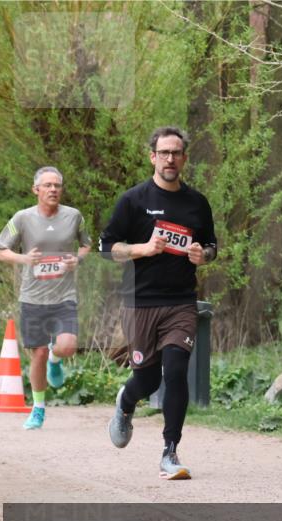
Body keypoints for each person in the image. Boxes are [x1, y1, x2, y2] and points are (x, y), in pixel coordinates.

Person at [99, 126, 217, 480]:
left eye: (176, 153)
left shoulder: (197, 203)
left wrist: (203, 255)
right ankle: (125, 401)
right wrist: (142, 249)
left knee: (177, 371)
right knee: (147, 381)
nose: (170, 159)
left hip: (180, 302)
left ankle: (170, 452)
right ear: (153, 156)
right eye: (163, 152)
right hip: (139, 303)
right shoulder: (133, 200)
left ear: (184, 158)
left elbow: (212, 245)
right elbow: (107, 248)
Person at [0, 167, 91, 429]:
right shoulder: (22, 218)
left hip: (64, 295)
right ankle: (38, 408)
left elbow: (86, 244)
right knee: (36, 353)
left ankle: (56, 359)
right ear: (36, 189)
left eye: (57, 185)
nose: (53, 190)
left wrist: (77, 259)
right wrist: (23, 258)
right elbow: (2, 250)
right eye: (47, 185)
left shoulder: (74, 216)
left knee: (68, 345)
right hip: (33, 297)